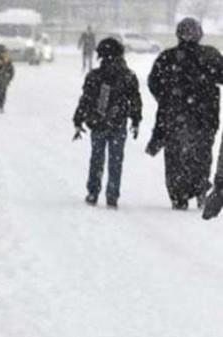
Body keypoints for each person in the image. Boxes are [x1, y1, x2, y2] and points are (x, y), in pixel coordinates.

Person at [147, 17, 223, 210]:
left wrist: (166, 97)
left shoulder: (167, 57)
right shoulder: (211, 55)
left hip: (174, 116)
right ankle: (199, 188)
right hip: (205, 117)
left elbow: (153, 82)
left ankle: (178, 194)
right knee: (202, 153)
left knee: (175, 156)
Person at [73, 37, 142, 209]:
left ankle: (93, 191)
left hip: (98, 123)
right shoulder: (128, 76)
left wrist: (78, 119)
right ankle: (112, 195)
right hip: (119, 123)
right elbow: (135, 100)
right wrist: (135, 119)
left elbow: (86, 100)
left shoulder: (95, 76)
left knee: (97, 158)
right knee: (116, 160)